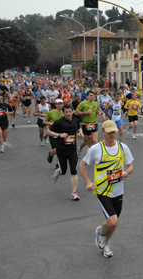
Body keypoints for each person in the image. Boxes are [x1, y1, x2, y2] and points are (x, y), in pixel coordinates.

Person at [79, 120, 135, 258]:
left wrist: (127, 172)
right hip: (103, 191)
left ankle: (104, 239)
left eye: (114, 131)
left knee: (113, 223)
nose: (112, 134)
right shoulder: (96, 149)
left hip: (119, 191)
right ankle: (103, 237)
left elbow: (131, 166)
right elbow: (82, 165)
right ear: (103, 132)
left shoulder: (123, 147)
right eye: (109, 132)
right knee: (113, 221)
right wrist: (88, 182)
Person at [48, 104, 84, 201]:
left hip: (72, 150)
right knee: (63, 171)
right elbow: (49, 132)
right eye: (66, 112)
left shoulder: (76, 120)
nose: (68, 114)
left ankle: (74, 193)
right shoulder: (59, 122)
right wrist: (59, 135)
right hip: (61, 150)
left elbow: (78, 128)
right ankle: (58, 172)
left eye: (70, 112)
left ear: (72, 111)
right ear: (63, 113)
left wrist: (80, 132)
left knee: (74, 170)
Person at [75, 90, 103, 156]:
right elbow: (76, 112)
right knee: (86, 141)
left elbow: (99, 110)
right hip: (86, 124)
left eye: (93, 96)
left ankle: (93, 153)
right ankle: (80, 148)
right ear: (87, 96)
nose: (92, 97)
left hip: (94, 123)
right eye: (90, 95)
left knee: (95, 140)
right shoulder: (83, 103)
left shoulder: (96, 103)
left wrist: (100, 113)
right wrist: (85, 112)